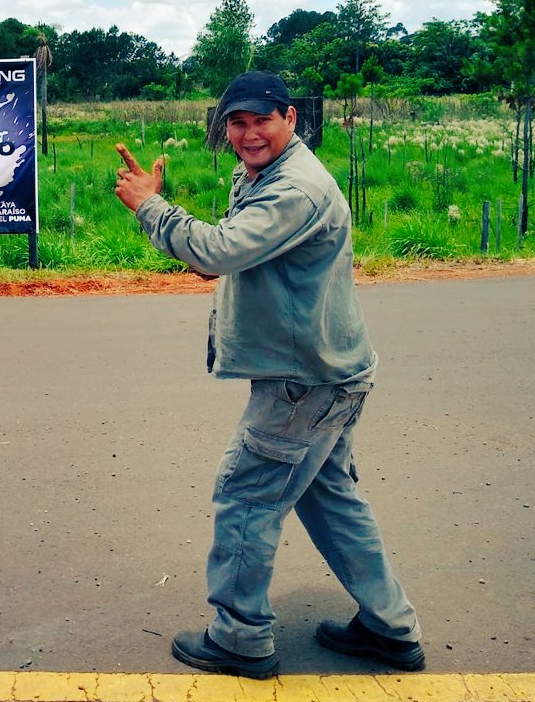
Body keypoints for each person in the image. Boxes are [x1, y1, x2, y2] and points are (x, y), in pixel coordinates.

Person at [114, 71, 423, 679]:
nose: (249, 133)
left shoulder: (296, 190)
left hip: (303, 380)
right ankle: (390, 628)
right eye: (237, 122)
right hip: (324, 369)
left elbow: (216, 252)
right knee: (330, 499)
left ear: (290, 118)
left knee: (247, 497)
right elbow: (225, 254)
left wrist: (150, 207)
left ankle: (239, 637)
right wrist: (192, 237)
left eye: (262, 120)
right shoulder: (260, 174)